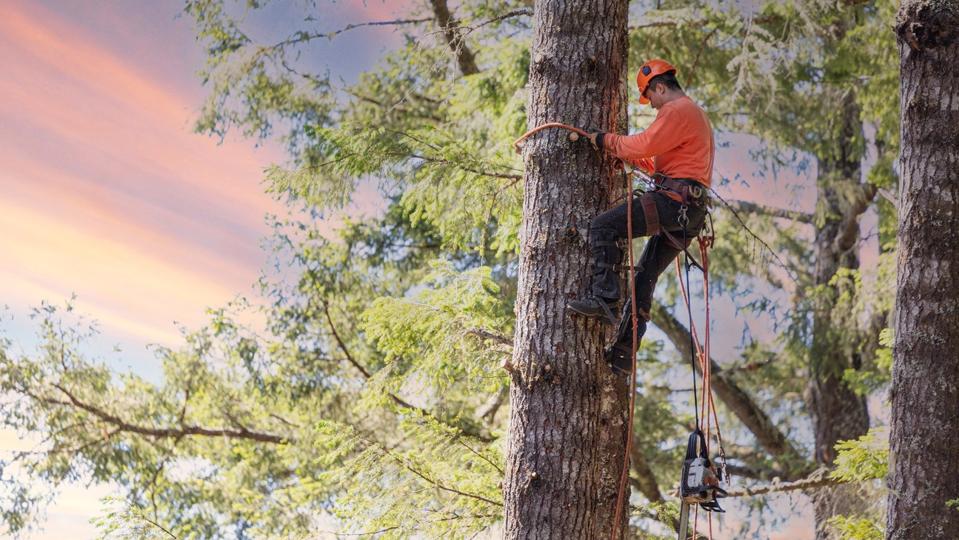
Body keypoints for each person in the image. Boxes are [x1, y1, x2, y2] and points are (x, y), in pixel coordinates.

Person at [567, 59, 715, 374]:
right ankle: (623, 354)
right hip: (689, 212)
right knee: (645, 277)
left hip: (674, 203)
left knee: (602, 227)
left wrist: (604, 140)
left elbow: (644, 144)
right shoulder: (693, 115)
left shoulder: (676, 111)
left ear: (659, 87)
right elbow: (660, 158)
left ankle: (604, 298)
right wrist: (627, 156)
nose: (652, 107)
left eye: (651, 98)